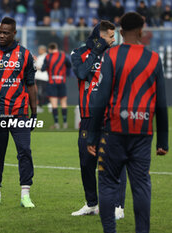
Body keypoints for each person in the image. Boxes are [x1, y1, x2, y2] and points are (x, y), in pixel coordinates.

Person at [87, 12, 169, 233]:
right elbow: (161, 103)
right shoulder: (154, 59)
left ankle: (110, 231)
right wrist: (163, 141)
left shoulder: (111, 56)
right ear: (142, 31)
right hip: (142, 133)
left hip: (113, 131)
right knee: (141, 186)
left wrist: (92, 136)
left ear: (121, 32)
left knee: (107, 183)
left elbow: (101, 97)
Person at [0, 17, 37, 208]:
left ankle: (25, 194)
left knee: (25, 151)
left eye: (5, 33)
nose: (1, 35)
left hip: (20, 112)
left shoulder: (25, 55)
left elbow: (31, 84)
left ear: (14, 34)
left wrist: (34, 112)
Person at [71, 20, 127, 218]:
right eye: (110, 36)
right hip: (88, 117)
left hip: (112, 116)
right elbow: (81, 73)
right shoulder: (78, 53)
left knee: (115, 161)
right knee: (86, 163)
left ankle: (118, 206)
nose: (114, 40)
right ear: (99, 36)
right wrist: (96, 51)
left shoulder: (118, 54)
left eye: (114, 36)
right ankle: (91, 203)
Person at [41, 42, 71, 129]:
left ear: (49, 49)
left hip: (52, 82)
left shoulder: (47, 57)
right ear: (56, 48)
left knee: (54, 104)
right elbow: (69, 65)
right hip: (62, 81)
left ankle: (57, 124)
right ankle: (65, 123)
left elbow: (43, 68)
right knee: (63, 102)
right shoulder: (63, 55)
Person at [35, 45, 49, 113]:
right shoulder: (40, 57)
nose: (38, 51)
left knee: (41, 93)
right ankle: (45, 105)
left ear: (43, 50)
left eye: (40, 49)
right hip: (39, 77)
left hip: (43, 77)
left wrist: (36, 67)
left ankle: (41, 106)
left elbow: (43, 67)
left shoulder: (45, 57)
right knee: (40, 92)